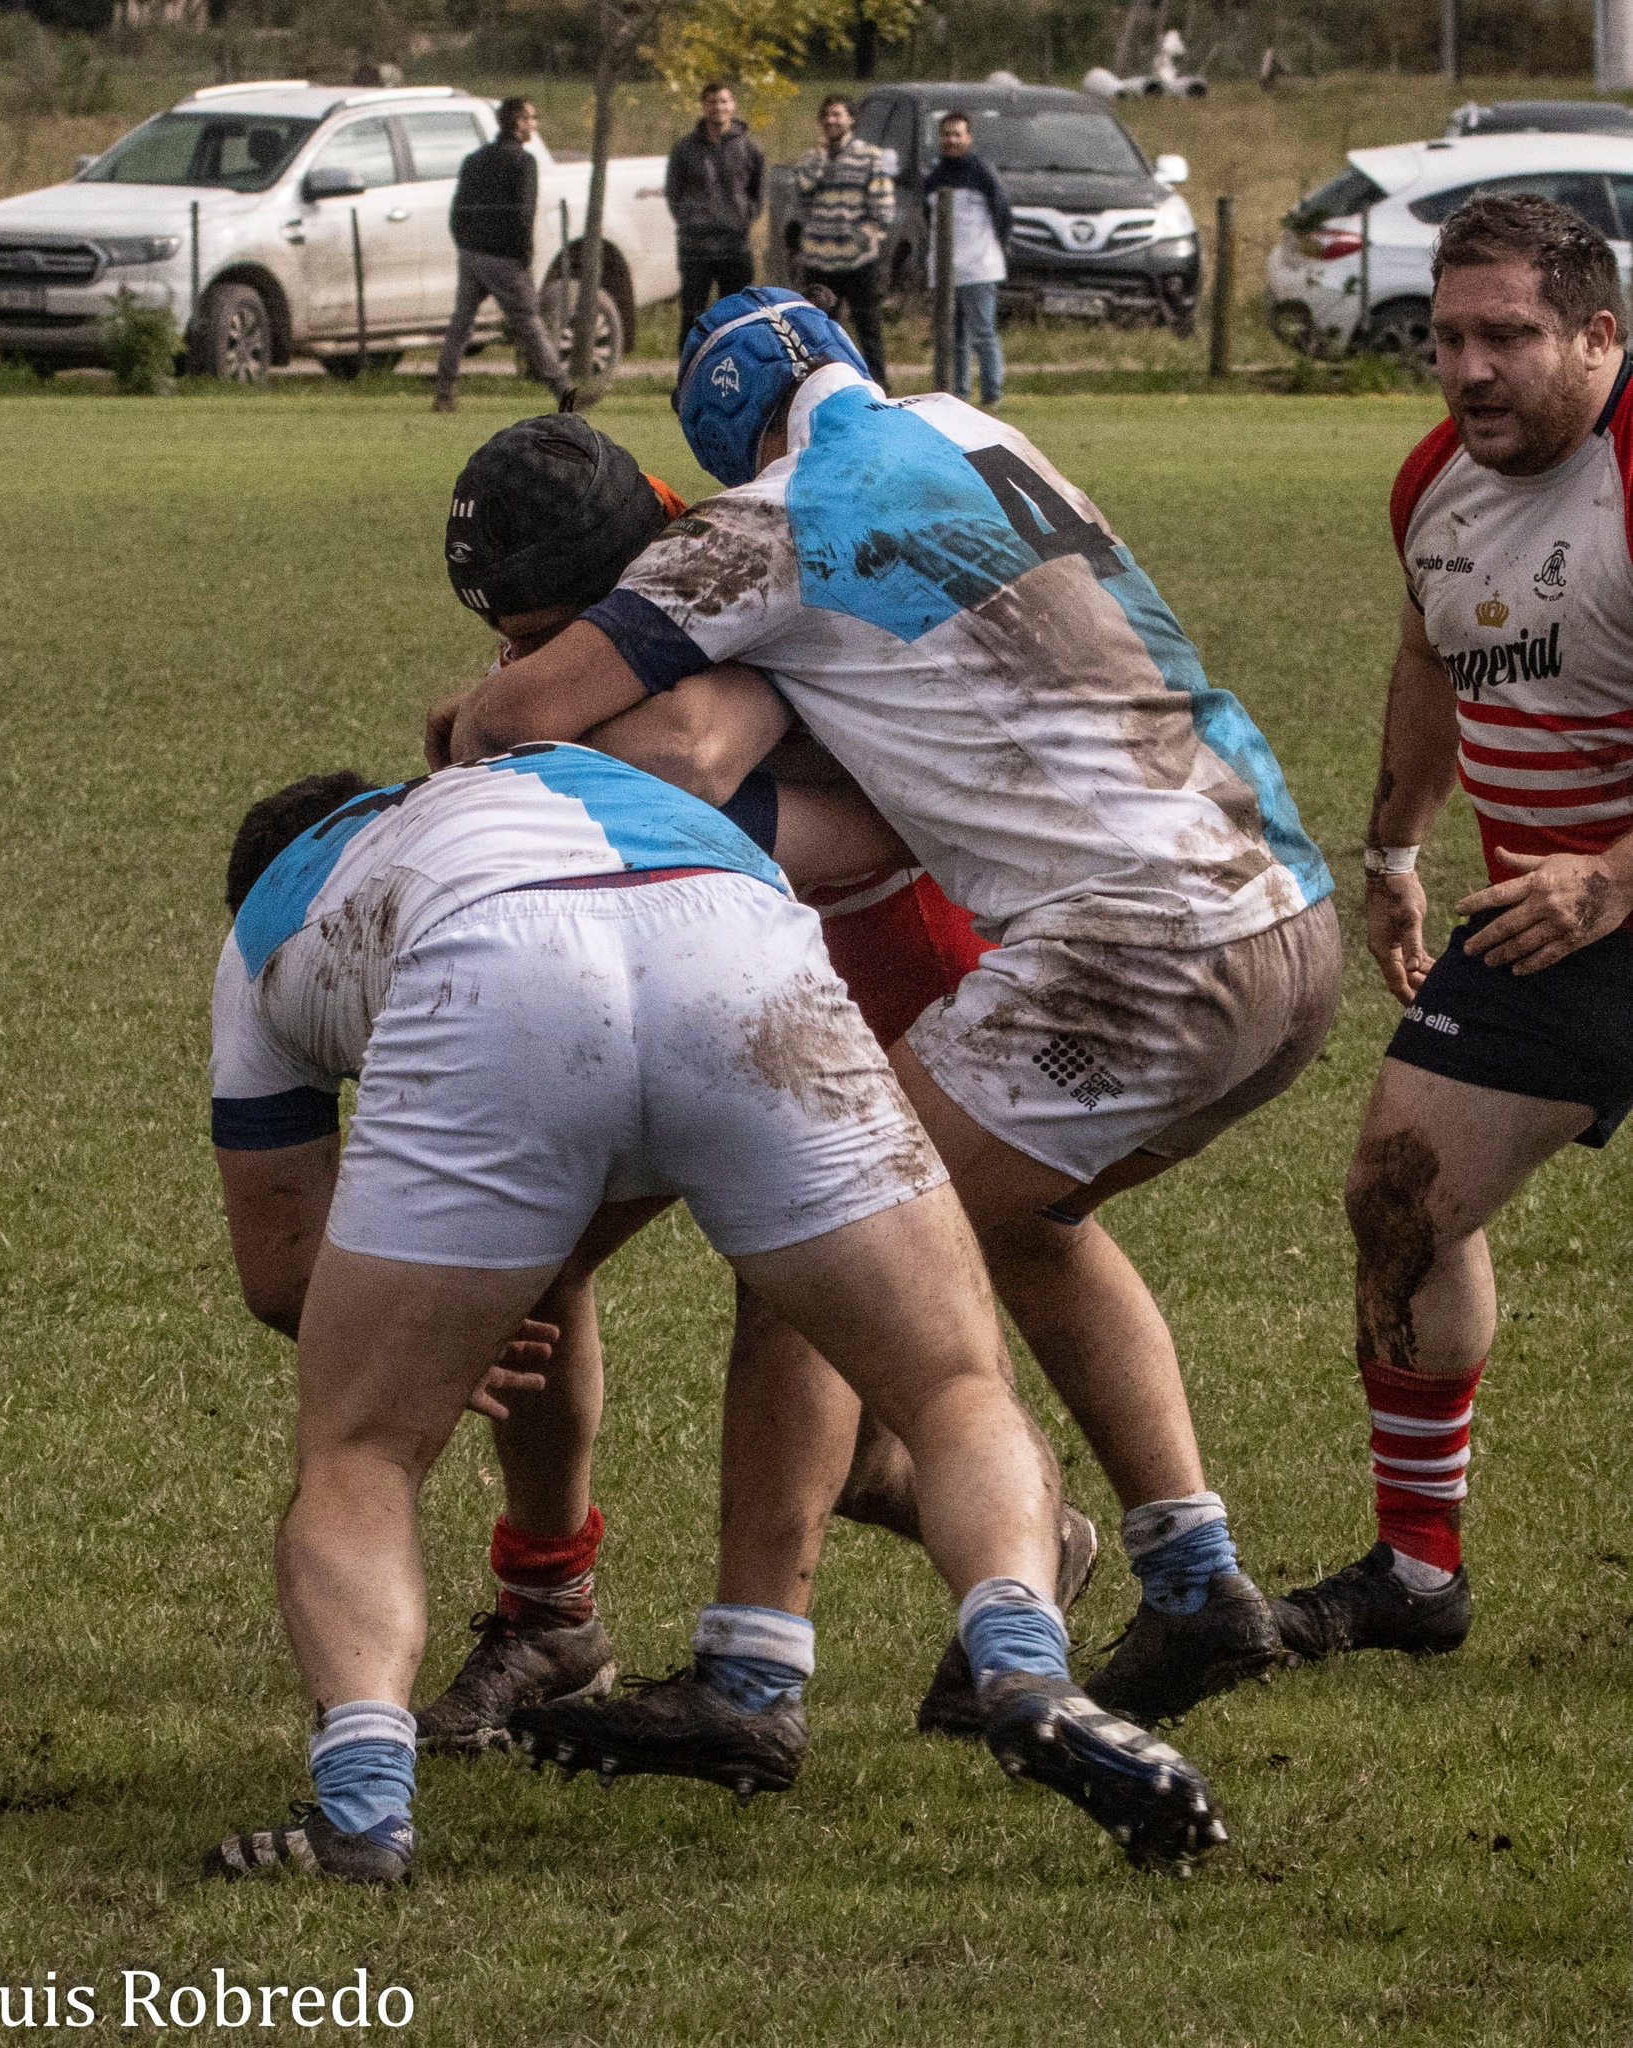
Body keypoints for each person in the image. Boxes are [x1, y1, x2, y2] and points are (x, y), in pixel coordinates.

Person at [427, 288, 1343, 1743]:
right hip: (1279, 903)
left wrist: (473, 731)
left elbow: (612, 734)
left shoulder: (765, 526)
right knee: (1022, 1226)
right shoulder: (977, 432)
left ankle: (748, 1677)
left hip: (1116, 943)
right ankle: (1190, 1577)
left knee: (811, 1224)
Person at [203, 748, 1225, 1884]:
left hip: (492, 977)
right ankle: (1024, 1656)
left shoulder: (273, 918)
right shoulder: (541, 778)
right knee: (951, 1386)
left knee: (363, 1449)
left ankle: (361, 1812)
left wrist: (428, 1347)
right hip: (736, 938)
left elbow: (279, 1265)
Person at [417, 415, 1098, 1767]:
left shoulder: (745, 580)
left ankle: (794, 1653)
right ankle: (551, 1609)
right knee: (531, 1253)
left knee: (813, 1324)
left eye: (552, 631)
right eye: (511, 636)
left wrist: (500, 737)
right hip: (683, 960)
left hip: (873, 960)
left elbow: (685, 753)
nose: (532, 655)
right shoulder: (600, 615)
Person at [1275, 195, 1633, 1660]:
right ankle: (1416, 1573)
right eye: (1446, 337)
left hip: (1604, 888)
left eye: (1507, 337)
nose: (1468, 370)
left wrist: (1616, 873)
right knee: (1396, 1193)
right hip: (1548, 918)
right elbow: (1430, 657)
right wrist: (1393, 849)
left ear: (1597, 336)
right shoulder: (1435, 480)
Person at [433, 97, 572, 415]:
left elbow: (458, 211)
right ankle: (565, 392)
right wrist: (525, 256)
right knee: (530, 323)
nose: (535, 124)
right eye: (531, 118)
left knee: (461, 324)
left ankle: (444, 391)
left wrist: (465, 245)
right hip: (506, 259)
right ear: (519, 122)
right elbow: (524, 214)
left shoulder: (474, 160)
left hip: (472, 255)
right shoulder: (524, 163)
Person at [793, 95, 895, 388]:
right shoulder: (811, 158)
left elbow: (883, 205)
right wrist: (822, 159)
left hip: (857, 259)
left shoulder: (870, 156)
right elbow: (801, 191)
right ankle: (820, 385)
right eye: (826, 115)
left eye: (837, 114)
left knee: (867, 326)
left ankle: (878, 385)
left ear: (851, 119)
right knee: (817, 329)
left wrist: (867, 236)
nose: (831, 120)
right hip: (819, 259)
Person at [922, 110, 1011, 409]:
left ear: (969, 138)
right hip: (945, 270)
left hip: (979, 268)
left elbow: (1003, 215)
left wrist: (994, 248)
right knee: (952, 337)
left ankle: (991, 394)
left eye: (957, 134)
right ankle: (958, 394)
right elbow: (928, 220)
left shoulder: (982, 173)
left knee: (983, 333)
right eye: (946, 134)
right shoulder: (934, 177)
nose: (951, 140)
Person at [665, 83, 765, 345]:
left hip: (735, 246)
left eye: (723, 101)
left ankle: (736, 365)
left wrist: (741, 219)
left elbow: (758, 193)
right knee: (693, 317)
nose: (717, 107)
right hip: (695, 247)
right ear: (703, 106)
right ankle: (690, 369)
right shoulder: (685, 148)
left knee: (739, 316)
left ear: (732, 105)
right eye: (711, 102)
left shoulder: (750, 148)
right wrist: (691, 220)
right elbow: (673, 193)